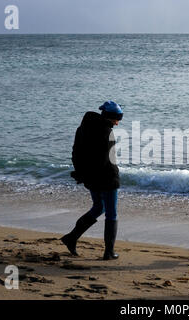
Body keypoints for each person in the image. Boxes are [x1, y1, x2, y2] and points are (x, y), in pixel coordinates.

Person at [61, 100, 123, 260]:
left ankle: (71, 237)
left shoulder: (82, 128)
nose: (118, 123)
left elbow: (75, 152)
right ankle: (109, 252)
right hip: (106, 178)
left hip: (90, 177)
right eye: (118, 118)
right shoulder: (106, 132)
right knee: (111, 214)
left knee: (98, 207)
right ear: (110, 116)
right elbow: (106, 160)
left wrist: (82, 173)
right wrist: (110, 177)